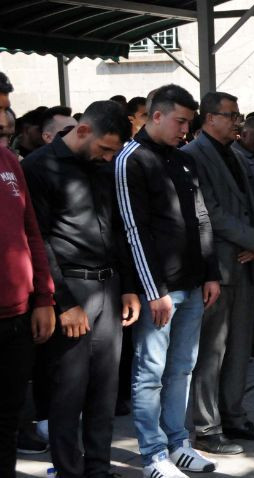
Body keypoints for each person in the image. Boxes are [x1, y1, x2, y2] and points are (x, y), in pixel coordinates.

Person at [22, 100, 139, 478]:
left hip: (110, 286)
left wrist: (129, 287)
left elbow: (118, 228)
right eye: (105, 149)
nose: (108, 158)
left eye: (114, 152)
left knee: (105, 391)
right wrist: (63, 301)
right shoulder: (39, 166)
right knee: (68, 392)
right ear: (83, 130)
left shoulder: (102, 168)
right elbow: (37, 240)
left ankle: (99, 469)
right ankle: (69, 470)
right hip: (70, 288)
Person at [115, 84, 222, 477]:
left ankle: (179, 443)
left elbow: (201, 217)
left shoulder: (182, 160)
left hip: (192, 285)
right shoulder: (131, 159)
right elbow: (133, 229)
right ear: (155, 116)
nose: (184, 130)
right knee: (150, 372)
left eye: (188, 123)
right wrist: (154, 290)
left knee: (182, 368)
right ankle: (153, 454)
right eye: (180, 121)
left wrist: (210, 273)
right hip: (158, 291)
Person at [183, 92, 254, 455]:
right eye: (231, 115)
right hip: (218, 268)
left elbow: (251, 204)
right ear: (209, 118)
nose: (237, 121)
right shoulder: (193, 156)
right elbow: (209, 211)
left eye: (238, 115)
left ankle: (234, 416)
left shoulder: (234, 154)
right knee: (212, 352)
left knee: (239, 348)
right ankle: (207, 427)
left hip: (246, 262)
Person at [0, 71, 55, 476]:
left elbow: (31, 233)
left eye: (5, 111)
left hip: (17, 318)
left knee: (8, 419)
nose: (4, 122)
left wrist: (43, 298)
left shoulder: (8, 162)